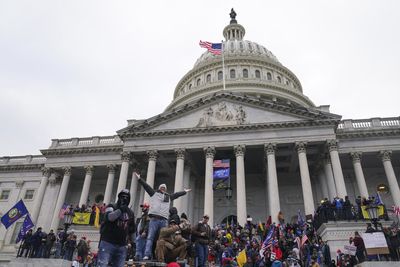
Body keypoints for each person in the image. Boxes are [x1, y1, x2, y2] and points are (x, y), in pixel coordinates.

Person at [136, 172, 191, 260]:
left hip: (164, 220)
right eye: (162, 187)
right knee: (150, 237)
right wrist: (139, 179)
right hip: (154, 219)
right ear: (159, 188)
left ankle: (160, 255)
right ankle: (147, 254)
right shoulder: (154, 194)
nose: (163, 189)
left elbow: (176, 195)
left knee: (163, 239)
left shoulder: (168, 197)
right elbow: (147, 187)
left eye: (164, 188)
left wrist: (184, 192)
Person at [97, 189, 135, 267]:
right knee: (102, 264)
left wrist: (134, 244)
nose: (124, 199)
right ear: (119, 197)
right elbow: (110, 217)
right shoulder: (111, 206)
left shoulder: (130, 213)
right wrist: (120, 210)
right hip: (107, 243)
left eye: (127, 197)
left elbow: (132, 229)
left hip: (121, 245)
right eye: (122, 196)